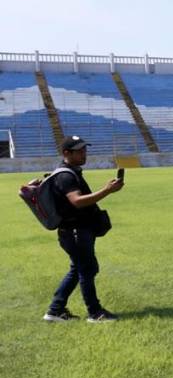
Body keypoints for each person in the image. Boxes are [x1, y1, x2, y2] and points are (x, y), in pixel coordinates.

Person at [44, 136, 124, 323]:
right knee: (86, 269)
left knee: (79, 268)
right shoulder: (65, 176)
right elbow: (77, 202)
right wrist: (107, 190)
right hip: (75, 231)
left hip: (76, 231)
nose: (84, 153)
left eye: (84, 150)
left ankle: (55, 310)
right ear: (66, 153)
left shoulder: (71, 172)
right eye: (79, 151)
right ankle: (95, 313)